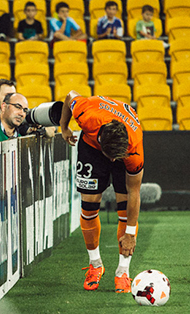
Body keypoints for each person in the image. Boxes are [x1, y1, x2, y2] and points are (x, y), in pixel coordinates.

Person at [59, 90, 144, 293]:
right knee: (88, 207)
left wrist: (130, 234)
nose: (113, 161)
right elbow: (70, 95)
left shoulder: (134, 149)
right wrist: (64, 127)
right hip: (91, 148)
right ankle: (95, 265)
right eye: (111, 157)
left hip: (123, 144)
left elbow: (135, 192)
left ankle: (123, 271)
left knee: (125, 211)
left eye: (116, 157)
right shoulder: (87, 115)